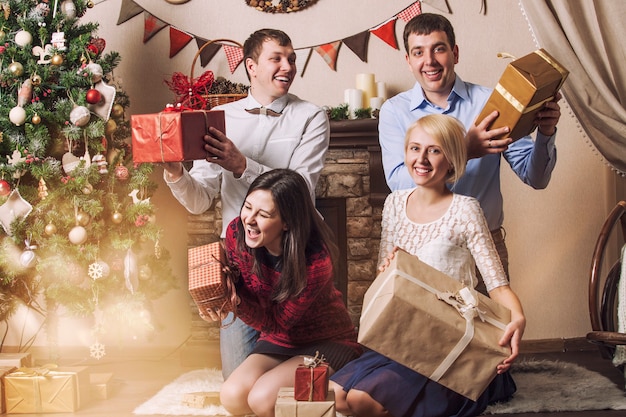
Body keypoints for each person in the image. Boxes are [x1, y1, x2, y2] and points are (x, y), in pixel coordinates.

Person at [330, 114, 526, 417]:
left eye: (434, 150)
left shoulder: (466, 209)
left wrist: (518, 319)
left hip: (450, 342)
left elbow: (498, 285)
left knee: (360, 401)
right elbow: (383, 280)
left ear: (452, 159)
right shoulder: (395, 203)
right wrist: (391, 267)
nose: (421, 159)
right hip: (404, 336)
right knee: (335, 396)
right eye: (414, 148)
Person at [162, 29, 330, 378]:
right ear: (251, 66)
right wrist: (176, 173)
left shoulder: (312, 116)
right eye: (277, 58)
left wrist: (242, 165)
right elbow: (199, 201)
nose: (288, 66)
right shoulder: (220, 118)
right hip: (240, 265)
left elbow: (298, 190)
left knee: (298, 383)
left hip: (294, 262)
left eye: (292, 58)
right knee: (236, 379)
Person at [378, 13, 562, 283]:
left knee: (495, 325)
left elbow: (535, 178)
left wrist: (546, 133)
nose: (429, 61)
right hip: (422, 253)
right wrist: (463, 149)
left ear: (455, 53)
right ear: (408, 61)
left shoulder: (493, 102)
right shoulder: (394, 111)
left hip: (486, 247)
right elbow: (399, 185)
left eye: (438, 49)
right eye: (418, 52)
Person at [200, 168, 360, 417]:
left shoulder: (315, 261)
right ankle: (311, 389)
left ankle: (336, 388)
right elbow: (236, 287)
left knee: (261, 400)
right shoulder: (236, 233)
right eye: (247, 207)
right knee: (232, 397)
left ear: (287, 222)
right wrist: (216, 298)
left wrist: (237, 304)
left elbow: (277, 323)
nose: (249, 220)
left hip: (325, 341)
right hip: (279, 341)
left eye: (263, 214)